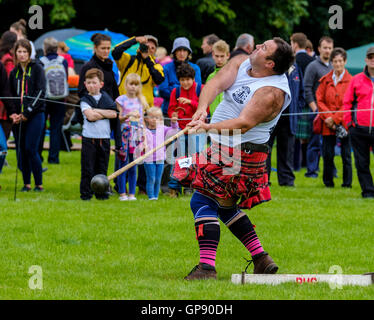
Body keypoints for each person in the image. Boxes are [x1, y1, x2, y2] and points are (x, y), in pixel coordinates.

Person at [171, 37, 293, 280]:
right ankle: (261, 258)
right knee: (225, 206)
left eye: (264, 48)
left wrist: (206, 127)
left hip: (242, 153)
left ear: (270, 64)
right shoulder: (241, 62)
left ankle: (206, 268)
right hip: (222, 148)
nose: (258, 47)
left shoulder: (272, 92)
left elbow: (243, 124)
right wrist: (201, 109)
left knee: (201, 200)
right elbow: (215, 83)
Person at [8, 39, 46, 192]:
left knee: (31, 148)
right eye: (19, 52)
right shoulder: (13, 72)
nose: (22, 55)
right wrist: (14, 113)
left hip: (35, 114)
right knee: (21, 149)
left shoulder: (38, 69)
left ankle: (39, 184)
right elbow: (10, 94)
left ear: (30, 53)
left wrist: (27, 112)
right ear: (15, 54)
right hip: (18, 117)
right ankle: (26, 183)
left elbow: (41, 93)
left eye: (25, 52)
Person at [167, 62, 206, 197]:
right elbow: (171, 109)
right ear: (179, 80)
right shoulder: (175, 91)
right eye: (182, 80)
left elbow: (204, 109)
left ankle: (195, 186)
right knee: (180, 158)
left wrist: (190, 102)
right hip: (181, 129)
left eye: (188, 80)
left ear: (193, 79)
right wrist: (173, 115)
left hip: (197, 129)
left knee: (196, 158)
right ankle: (175, 187)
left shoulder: (201, 89)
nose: (185, 83)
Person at [316, 47, 352, 188]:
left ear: (345, 62)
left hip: (345, 123)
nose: (337, 64)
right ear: (331, 62)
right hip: (327, 124)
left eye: (340, 61)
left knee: (346, 155)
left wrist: (335, 119)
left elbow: (349, 103)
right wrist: (328, 118)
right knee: (328, 154)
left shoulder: (351, 81)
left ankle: (347, 183)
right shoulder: (325, 80)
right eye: (335, 61)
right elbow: (320, 100)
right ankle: (328, 182)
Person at [79, 68, 118, 201]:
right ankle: (86, 194)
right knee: (87, 168)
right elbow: (90, 116)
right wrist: (103, 113)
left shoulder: (107, 98)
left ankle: (102, 193)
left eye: (94, 82)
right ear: (85, 84)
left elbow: (114, 114)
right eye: (88, 82)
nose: (91, 85)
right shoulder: (85, 100)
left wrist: (97, 111)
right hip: (89, 139)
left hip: (104, 138)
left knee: (102, 167)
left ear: (101, 84)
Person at [266, 60, 305, 187]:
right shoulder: (271, 66)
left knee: (287, 150)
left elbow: (301, 93)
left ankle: (286, 180)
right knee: (266, 149)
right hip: (270, 116)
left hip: (289, 117)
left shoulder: (295, 67)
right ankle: (264, 180)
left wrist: (296, 110)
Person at [343, 46, 374, 198]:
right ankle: (368, 191)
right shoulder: (356, 80)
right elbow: (347, 103)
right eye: (371, 57)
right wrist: (349, 124)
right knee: (362, 163)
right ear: (366, 59)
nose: (373, 59)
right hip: (359, 129)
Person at [303, 36, 333, 178]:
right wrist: (315, 109)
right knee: (314, 143)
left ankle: (331, 170)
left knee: (329, 143)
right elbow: (307, 89)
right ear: (319, 49)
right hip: (316, 110)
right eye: (325, 48)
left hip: (332, 112)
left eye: (330, 48)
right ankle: (312, 171)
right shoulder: (312, 66)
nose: (327, 51)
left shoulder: (334, 65)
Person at [116, 73, 148, 201]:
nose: (133, 87)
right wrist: (127, 116)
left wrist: (145, 137)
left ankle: (132, 194)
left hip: (137, 135)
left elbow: (143, 121)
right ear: (126, 85)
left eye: (136, 84)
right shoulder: (121, 100)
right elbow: (118, 118)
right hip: (125, 134)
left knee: (133, 164)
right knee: (123, 163)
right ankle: (122, 193)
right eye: (131, 84)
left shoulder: (141, 100)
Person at [38, 37, 69, 165]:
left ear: (45, 48)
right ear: (57, 48)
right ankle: (54, 158)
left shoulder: (41, 62)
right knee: (56, 129)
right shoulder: (63, 61)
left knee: (40, 127)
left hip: (45, 98)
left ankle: (38, 156)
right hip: (60, 98)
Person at [112, 34, 164, 107]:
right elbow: (115, 51)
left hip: (145, 108)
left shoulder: (156, 66)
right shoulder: (129, 60)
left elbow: (159, 79)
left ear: (155, 52)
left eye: (152, 48)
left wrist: (147, 59)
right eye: (147, 46)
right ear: (140, 47)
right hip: (124, 107)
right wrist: (135, 40)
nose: (149, 49)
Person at [159, 37, 202, 116]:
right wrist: (183, 93)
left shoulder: (195, 68)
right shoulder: (166, 68)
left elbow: (197, 90)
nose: (182, 53)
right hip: (170, 112)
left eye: (184, 50)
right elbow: (162, 90)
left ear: (188, 52)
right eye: (179, 50)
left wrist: (174, 88)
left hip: (191, 113)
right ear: (174, 52)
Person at [144, 107, 179, 200]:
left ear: (161, 119)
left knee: (158, 179)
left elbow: (174, 131)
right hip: (149, 159)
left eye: (157, 117)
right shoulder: (144, 131)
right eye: (152, 117)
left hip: (160, 158)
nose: (154, 120)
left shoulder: (162, 129)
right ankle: (151, 197)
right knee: (151, 178)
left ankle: (155, 196)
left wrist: (174, 123)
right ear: (147, 119)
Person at [78, 33, 119, 100]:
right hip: (96, 108)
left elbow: (114, 90)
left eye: (108, 48)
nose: (106, 51)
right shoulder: (88, 66)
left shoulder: (109, 65)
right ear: (95, 48)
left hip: (111, 106)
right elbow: (81, 92)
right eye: (103, 48)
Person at [205, 40, 230, 116]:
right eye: (217, 56)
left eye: (222, 56)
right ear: (213, 55)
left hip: (230, 120)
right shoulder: (210, 77)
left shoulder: (234, 75)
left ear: (228, 55)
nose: (219, 59)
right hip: (213, 119)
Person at [0, 31, 17, 142]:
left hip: (4, 103)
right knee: (3, 141)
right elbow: (9, 84)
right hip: (4, 107)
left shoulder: (2, 57)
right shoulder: (8, 60)